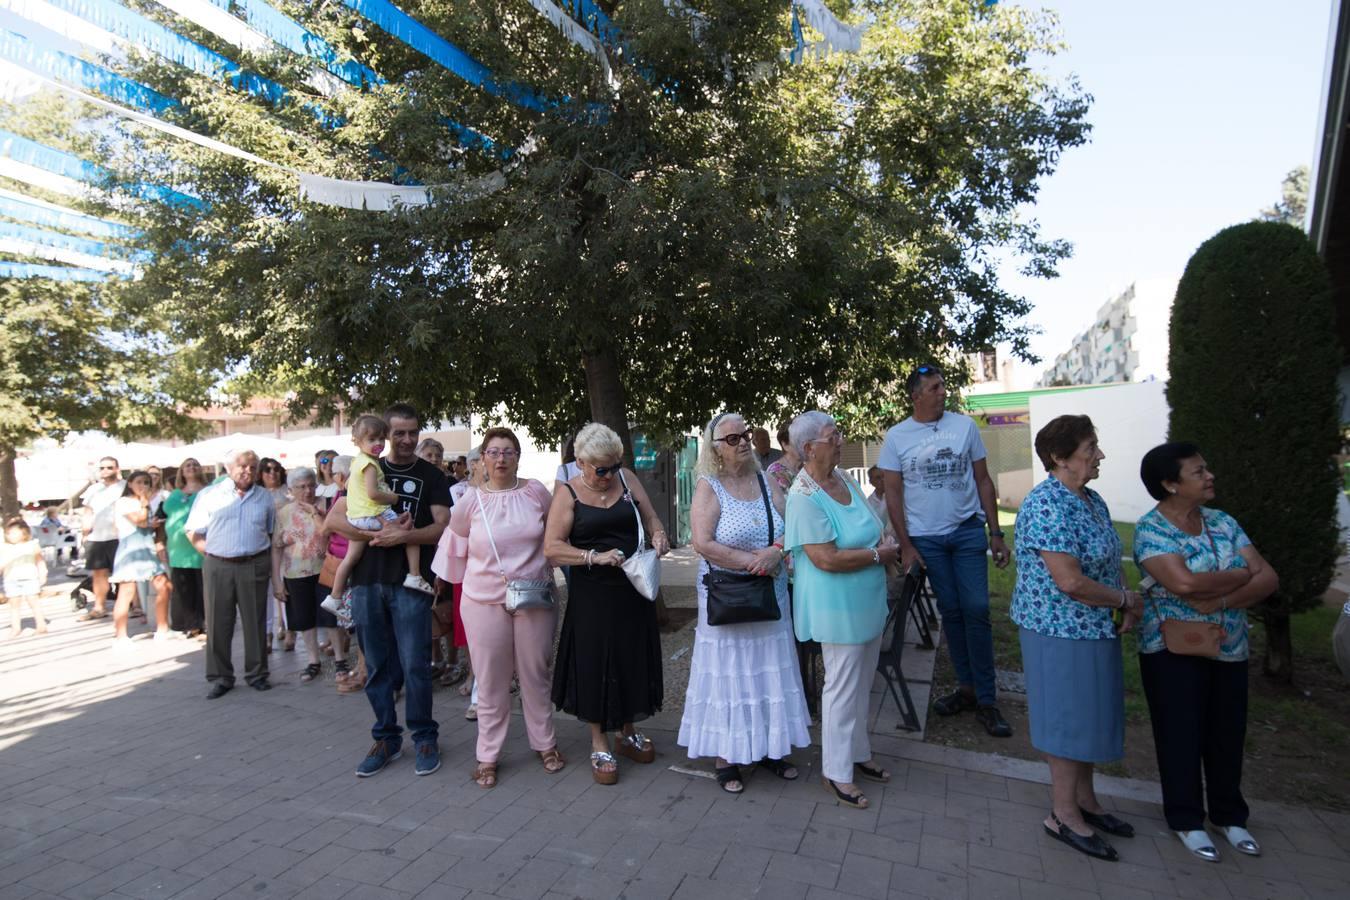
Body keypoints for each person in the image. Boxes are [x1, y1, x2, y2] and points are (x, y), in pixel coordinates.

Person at [1135, 442, 1278, 862]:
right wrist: (1238, 575)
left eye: (1206, 468)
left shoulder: (1223, 522)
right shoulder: (1151, 529)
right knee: (1180, 734)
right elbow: (1183, 585)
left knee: (1227, 733)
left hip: (1229, 645)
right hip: (1170, 649)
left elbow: (1267, 577)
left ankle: (1229, 817)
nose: (1209, 475)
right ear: (1170, 484)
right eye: (1198, 472)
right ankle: (1187, 820)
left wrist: (1220, 601)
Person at [1011, 414, 1141, 862]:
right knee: (1068, 722)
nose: (1099, 455)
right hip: (1057, 631)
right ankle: (1063, 815)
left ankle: (1086, 802)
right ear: (1059, 459)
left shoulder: (1090, 499)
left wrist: (1120, 601)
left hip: (1092, 628)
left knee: (1089, 717)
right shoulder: (1047, 505)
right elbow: (1069, 581)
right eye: (1090, 449)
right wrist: (1123, 600)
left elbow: (1107, 558)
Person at [878, 364, 1013, 737]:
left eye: (942, 386)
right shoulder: (897, 437)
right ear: (916, 396)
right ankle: (967, 689)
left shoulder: (964, 427)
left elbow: (983, 480)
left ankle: (988, 699)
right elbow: (893, 492)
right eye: (935, 387)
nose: (942, 392)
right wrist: (905, 545)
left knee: (978, 609)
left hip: (968, 531)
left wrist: (996, 532)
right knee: (952, 611)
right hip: (927, 539)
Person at [679, 413, 810, 793]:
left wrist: (775, 552)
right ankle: (727, 756)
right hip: (728, 594)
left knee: (770, 669)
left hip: (769, 592)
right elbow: (703, 543)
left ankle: (771, 749)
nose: (742, 443)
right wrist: (753, 563)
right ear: (715, 449)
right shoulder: (709, 486)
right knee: (732, 673)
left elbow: (794, 525)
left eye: (746, 435)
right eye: (732, 438)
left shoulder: (766, 480)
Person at [323, 403, 449, 777]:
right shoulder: (366, 465)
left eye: (413, 432)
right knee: (376, 666)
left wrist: (405, 535)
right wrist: (376, 534)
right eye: (399, 433)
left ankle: (425, 736)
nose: (406, 439)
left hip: (411, 584)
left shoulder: (432, 474)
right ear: (384, 434)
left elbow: (442, 525)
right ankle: (386, 738)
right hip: (365, 582)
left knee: (415, 665)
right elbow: (335, 520)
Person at [784, 411, 898, 810]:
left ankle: (858, 752)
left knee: (862, 683)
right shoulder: (803, 496)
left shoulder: (845, 477)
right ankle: (836, 772)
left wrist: (880, 539)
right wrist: (877, 554)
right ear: (809, 447)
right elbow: (826, 558)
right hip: (837, 606)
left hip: (866, 598)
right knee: (841, 688)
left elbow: (869, 522)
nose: (840, 439)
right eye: (834, 435)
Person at [545, 422, 669, 785]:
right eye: (601, 469)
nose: (608, 475)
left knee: (631, 656)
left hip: (632, 588)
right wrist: (591, 557)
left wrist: (659, 533)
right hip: (592, 595)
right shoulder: (568, 493)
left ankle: (627, 730)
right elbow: (551, 547)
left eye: (613, 466)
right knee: (596, 661)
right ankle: (599, 740)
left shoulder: (627, 479)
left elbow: (650, 516)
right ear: (580, 462)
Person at [447, 427, 564, 788]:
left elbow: (555, 532)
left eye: (508, 452)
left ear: (518, 457)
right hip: (483, 599)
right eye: (494, 452)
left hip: (533, 595)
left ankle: (545, 743)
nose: (501, 458)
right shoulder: (469, 499)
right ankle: (488, 755)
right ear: (483, 458)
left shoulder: (536, 493)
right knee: (491, 681)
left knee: (536, 674)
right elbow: (457, 541)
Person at [186, 449, 277, 697]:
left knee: (255, 621)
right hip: (218, 564)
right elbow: (192, 531)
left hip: (254, 563)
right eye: (242, 466)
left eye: (252, 467)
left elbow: (270, 532)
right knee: (218, 622)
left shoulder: (265, 498)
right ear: (228, 468)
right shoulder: (209, 495)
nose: (247, 471)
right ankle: (221, 677)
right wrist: (213, 553)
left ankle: (257, 673)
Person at [327, 414, 434, 604]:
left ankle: (334, 598)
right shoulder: (370, 464)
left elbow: (348, 486)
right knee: (408, 529)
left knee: (351, 558)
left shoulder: (357, 461)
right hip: (370, 516)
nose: (378, 443)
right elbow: (373, 494)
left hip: (358, 516)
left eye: (380, 438)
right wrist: (394, 497)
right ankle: (415, 575)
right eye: (371, 439)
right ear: (357, 441)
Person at [273, 467, 346, 683]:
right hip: (295, 572)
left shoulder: (327, 505)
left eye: (311, 485)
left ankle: (340, 659)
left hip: (326, 569)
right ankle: (313, 661)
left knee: (330, 616)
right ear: (291, 489)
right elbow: (276, 548)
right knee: (304, 618)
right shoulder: (283, 512)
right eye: (301, 487)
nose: (307, 490)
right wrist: (277, 582)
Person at [110, 470, 172, 645]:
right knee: (127, 591)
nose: (143, 486)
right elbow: (140, 520)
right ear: (130, 484)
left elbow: (147, 524)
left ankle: (162, 627)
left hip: (147, 545)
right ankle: (121, 635)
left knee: (164, 586)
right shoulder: (124, 502)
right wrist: (145, 503)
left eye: (146, 482)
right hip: (131, 548)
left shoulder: (144, 503)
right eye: (139, 482)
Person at [163, 458, 207, 638]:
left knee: (202, 586)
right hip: (178, 548)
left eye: (195, 464)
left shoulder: (207, 491)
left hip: (199, 546)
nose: (192, 467)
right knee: (183, 588)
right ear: (182, 471)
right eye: (187, 465)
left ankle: (204, 622)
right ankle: (190, 624)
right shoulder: (174, 493)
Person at [78, 457, 125, 620]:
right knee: (99, 574)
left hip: (119, 536)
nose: (105, 471)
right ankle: (99, 607)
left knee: (124, 574)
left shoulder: (125, 487)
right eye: (102, 468)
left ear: (117, 469)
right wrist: (85, 534)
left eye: (109, 467)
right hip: (97, 537)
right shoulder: (93, 489)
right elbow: (88, 512)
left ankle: (130, 606)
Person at [2, 518, 48, 637]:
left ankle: (41, 625)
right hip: (11, 579)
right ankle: (15, 628)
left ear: (24, 533)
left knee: (33, 602)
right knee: (14, 604)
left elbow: (39, 560)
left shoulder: (31, 545)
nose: (10, 535)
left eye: (14, 532)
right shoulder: (6, 547)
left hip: (29, 578)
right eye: (8, 533)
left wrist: (43, 573)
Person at [764, 423, 800, 494]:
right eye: (798, 440)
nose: (804, 444)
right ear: (785, 445)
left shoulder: (807, 465)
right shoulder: (776, 472)